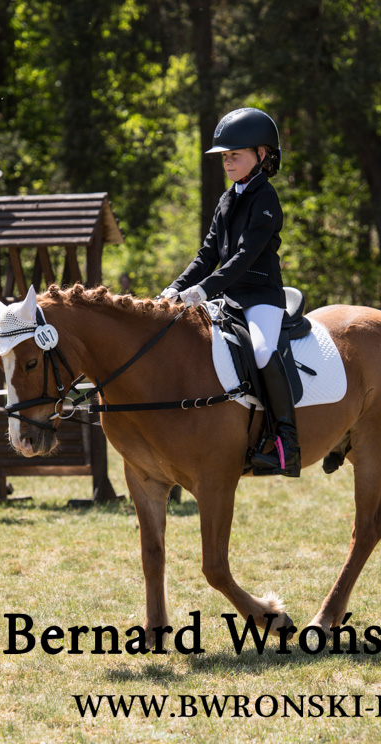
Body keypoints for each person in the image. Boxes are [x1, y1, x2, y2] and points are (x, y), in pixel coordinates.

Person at [158, 107, 299, 477]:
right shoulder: (226, 199)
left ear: (262, 154)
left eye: (235, 154)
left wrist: (203, 290)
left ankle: (287, 443)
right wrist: (176, 287)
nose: (227, 161)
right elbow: (207, 255)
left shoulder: (265, 198)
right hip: (229, 299)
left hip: (261, 297)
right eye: (224, 156)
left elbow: (243, 257)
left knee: (264, 351)